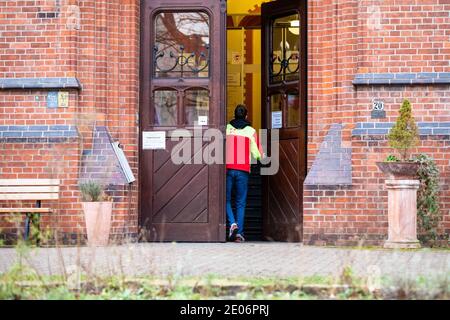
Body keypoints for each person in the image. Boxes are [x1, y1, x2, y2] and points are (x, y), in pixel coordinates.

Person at [226, 105, 263, 242]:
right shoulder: (251, 131)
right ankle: (239, 233)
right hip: (242, 170)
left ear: (234, 115)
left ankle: (232, 223)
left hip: (228, 168)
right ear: (246, 116)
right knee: (240, 202)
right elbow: (258, 154)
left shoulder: (227, 129)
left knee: (226, 199)